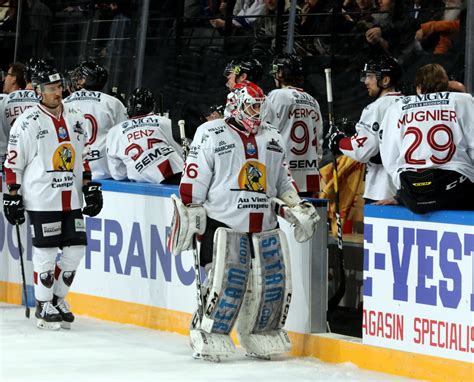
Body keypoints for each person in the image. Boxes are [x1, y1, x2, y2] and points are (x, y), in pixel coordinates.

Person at [168, 81, 319, 361]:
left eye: (260, 107)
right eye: (252, 106)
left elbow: (282, 181)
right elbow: (193, 178)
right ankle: (209, 330)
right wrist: (191, 209)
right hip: (223, 224)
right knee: (225, 283)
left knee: (269, 285)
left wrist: (295, 205)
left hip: (264, 227)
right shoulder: (211, 133)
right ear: (235, 105)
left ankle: (259, 332)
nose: (257, 113)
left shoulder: (273, 137)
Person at [3, 63, 103, 330]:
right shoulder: (27, 122)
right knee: (46, 252)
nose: (57, 92)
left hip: (71, 197)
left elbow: (82, 157)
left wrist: (89, 186)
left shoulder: (76, 116)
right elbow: (13, 162)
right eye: (51, 88)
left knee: (76, 250)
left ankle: (57, 298)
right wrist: (12, 195)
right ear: (38, 91)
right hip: (41, 197)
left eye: (59, 87)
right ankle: (43, 303)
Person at [379, 63, 474, 213]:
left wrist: (402, 189)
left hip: (412, 192)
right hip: (454, 188)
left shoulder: (398, 107)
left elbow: (389, 156)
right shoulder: (463, 101)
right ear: (445, 84)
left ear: (418, 87)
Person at [327, 55, 402, 204]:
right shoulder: (406, 103)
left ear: (385, 80)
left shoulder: (376, 107)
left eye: (371, 76)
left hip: (381, 188)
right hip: (403, 189)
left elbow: (362, 150)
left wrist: (338, 141)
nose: (366, 82)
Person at [265, 53, 323, 196]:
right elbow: (319, 144)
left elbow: (265, 132)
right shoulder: (313, 101)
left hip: (284, 178)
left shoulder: (277, 95)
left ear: (280, 73)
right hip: (309, 176)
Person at [63, 60, 128, 179]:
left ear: (84, 80)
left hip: (71, 171)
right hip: (104, 171)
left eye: (79, 77)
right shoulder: (113, 103)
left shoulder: (64, 103)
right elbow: (124, 138)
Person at [106, 87, 184, 184]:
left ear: (129, 106)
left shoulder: (115, 131)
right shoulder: (165, 122)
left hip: (140, 184)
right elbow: (182, 152)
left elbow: (117, 174)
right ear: (153, 106)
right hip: (173, 177)